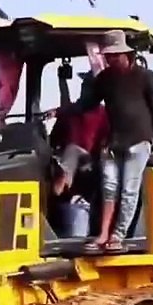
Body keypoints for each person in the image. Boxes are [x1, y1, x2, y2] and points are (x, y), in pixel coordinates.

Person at [57, 29, 153, 251]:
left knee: (129, 190)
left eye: (115, 55)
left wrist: (149, 135)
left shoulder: (145, 77)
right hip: (114, 141)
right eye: (108, 56)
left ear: (127, 54)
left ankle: (118, 235)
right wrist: (63, 110)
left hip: (138, 141)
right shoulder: (105, 79)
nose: (111, 59)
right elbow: (87, 103)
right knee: (109, 187)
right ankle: (103, 233)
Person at [48, 71, 109, 237]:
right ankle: (59, 186)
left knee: (73, 150)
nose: (84, 89)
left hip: (91, 164)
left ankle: (61, 183)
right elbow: (53, 140)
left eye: (89, 86)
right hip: (68, 162)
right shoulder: (69, 112)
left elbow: (107, 145)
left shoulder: (104, 115)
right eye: (83, 85)